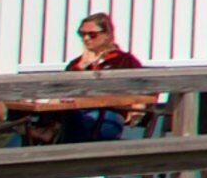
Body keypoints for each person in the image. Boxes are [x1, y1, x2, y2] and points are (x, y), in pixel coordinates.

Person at [41, 14, 144, 142]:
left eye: (92, 34)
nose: (86, 38)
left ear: (107, 35)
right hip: (74, 112)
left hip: (108, 113)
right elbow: (62, 87)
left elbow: (144, 86)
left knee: (81, 121)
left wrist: (138, 107)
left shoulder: (124, 60)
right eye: (82, 34)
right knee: (24, 121)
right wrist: (82, 66)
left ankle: (53, 138)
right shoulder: (77, 63)